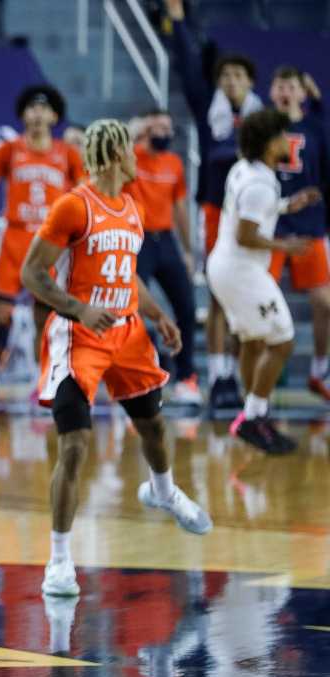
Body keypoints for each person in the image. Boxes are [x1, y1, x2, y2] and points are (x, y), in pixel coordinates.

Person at [23, 119, 212, 597]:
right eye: (132, 149)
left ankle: (163, 492)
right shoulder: (73, 205)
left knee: (154, 428)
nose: (139, 157)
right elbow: (32, 273)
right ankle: (60, 560)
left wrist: (159, 314)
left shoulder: (131, 206)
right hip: (79, 336)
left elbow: (127, 276)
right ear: (114, 156)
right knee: (75, 446)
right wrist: (78, 308)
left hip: (127, 333)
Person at [162, 0, 261, 411]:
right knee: (220, 294)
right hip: (215, 209)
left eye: (238, 76)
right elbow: (187, 64)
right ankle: (220, 374)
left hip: (253, 215)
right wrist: (179, 21)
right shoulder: (209, 111)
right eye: (225, 76)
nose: (231, 81)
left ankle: (239, 375)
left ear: (250, 82)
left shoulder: (265, 119)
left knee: (246, 297)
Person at [0, 85, 85, 414]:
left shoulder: (68, 154)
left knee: (45, 318)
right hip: (14, 239)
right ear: (23, 115)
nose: (37, 114)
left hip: (49, 243)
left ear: (54, 116)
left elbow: (83, 199)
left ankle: (42, 381)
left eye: (43, 109)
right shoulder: (8, 150)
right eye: (31, 108)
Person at [207, 109, 322, 454]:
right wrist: (284, 245)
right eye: (283, 135)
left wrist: (287, 205)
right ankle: (253, 417)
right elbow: (246, 234)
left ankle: (252, 411)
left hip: (226, 267)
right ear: (271, 143)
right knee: (283, 340)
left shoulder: (247, 169)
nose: (288, 140)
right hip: (242, 270)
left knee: (254, 342)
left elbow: (252, 211)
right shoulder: (259, 183)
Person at [126, 109, 201, 403]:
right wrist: (136, 129)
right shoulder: (130, 155)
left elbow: (181, 208)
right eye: (158, 127)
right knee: (130, 306)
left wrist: (187, 249)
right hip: (137, 238)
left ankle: (186, 377)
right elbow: (113, 151)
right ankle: (135, 375)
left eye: (168, 128)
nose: (165, 134)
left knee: (186, 306)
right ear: (146, 129)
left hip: (166, 239)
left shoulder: (174, 162)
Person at [268, 66, 330, 402]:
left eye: (291, 86)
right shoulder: (261, 126)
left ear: (302, 94)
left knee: (324, 302)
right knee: (260, 302)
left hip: (309, 227)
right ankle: (263, 372)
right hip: (271, 228)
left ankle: (320, 370)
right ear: (271, 91)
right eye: (279, 85)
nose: (285, 91)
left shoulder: (316, 127)